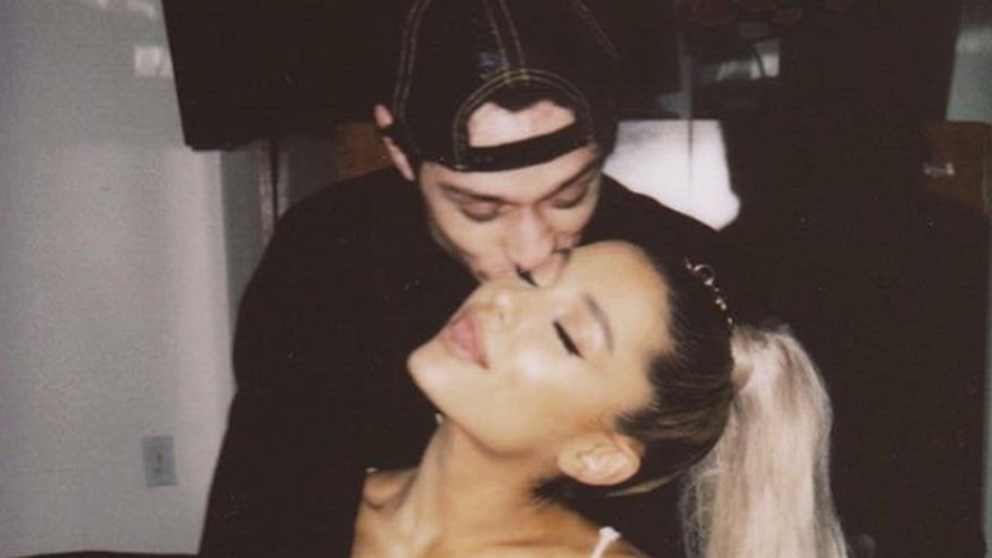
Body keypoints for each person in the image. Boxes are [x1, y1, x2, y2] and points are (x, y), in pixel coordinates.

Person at [198, 1, 761, 557]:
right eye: (481, 210)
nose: (531, 253)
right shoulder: (325, 253)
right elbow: (263, 499)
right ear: (397, 149)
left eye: (569, 196)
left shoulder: (687, 271)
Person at [351, 241, 848, 558]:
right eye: (532, 277)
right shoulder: (315, 489)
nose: (504, 300)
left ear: (598, 455)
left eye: (567, 335)